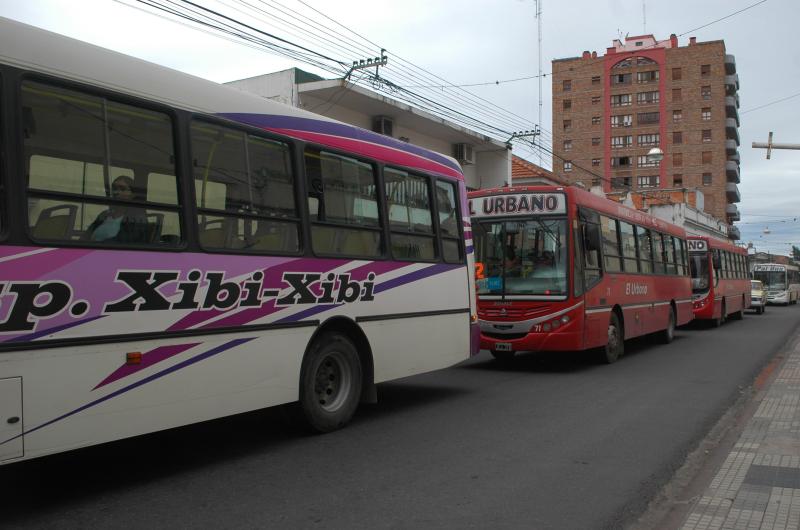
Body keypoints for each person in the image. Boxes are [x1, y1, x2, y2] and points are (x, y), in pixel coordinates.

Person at [87, 176, 148, 243]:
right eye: (114, 189)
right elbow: (86, 234)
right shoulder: (104, 214)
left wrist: (97, 245)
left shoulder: (136, 217)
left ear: (132, 195)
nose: (117, 192)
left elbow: (125, 242)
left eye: (122, 189)